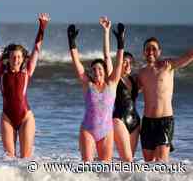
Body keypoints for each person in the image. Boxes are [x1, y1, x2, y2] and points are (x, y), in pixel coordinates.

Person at [0, 7, 50, 158]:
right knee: (9, 158)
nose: (16, 59)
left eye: (19, 57)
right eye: (13, 56)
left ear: (23, 58)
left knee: (25, 158)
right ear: (9, 57)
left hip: (26, 117)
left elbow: (37, 48)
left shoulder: (27, 71)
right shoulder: (1, 70)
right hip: (7, 117)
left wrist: (42, 27)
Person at [68, 22, 125, 162]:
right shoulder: (87, 84)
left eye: (100, 69)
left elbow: (118, 64)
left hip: (106, 132)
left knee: (104, 168)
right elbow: (77, 64)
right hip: (88, 130)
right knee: (87, 167)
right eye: (93, 70)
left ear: (105, 71)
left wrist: (120, 43)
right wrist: (72, 43)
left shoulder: (112, 84)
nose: (96, 71)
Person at [138, 37, 193, 162]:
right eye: (147, 49)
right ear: (143, 52)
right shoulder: (141, 73)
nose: (150, 51)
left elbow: (189, 55)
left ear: (160, 51)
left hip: (165, 122)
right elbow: (130, 90)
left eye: (154, 49)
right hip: (147, 123)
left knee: (161, 161)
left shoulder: (168, 65)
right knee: (148, 163)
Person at [99, 17, 140, 162]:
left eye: (130, 63)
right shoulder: (114, 79)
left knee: (128, 161)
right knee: (128, 159)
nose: (127, 65)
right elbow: (106, 57)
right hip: (119, 120)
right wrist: (106, 31)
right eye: (124, 62)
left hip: (135, 121)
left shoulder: (134, 80)